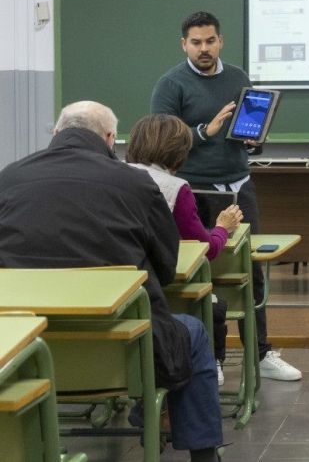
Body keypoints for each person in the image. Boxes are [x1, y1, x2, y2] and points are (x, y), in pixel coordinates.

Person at [0, 101, 223, 462]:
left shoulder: (8, 178)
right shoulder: (136, 183)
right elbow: (166, 268)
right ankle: (204, 455)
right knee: (194, 331)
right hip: (128, 350)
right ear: (109, 139)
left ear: (55, 134)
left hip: (26, 353)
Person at [151, 11, 301, 381]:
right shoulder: (171, 84)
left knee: (251, 271)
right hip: (195, 191)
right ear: (184, 44)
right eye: (196, 42)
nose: (204, 48)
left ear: (221, 41)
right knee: (206, 273)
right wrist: (205, 130)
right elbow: (159, 141)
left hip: (239, 186)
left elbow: (244, 133)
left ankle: (261, 352)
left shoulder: (237, 77)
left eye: (210, 41)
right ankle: (213, 358)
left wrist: (252, 140)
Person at [126, 113, 244, 385]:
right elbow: (206, 249)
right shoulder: (177, 189)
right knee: (213, 304)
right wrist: (223, 228)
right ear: (180, 151)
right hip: (163, 291)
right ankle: (212, 364)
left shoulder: (112, 177)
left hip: (120, 287)